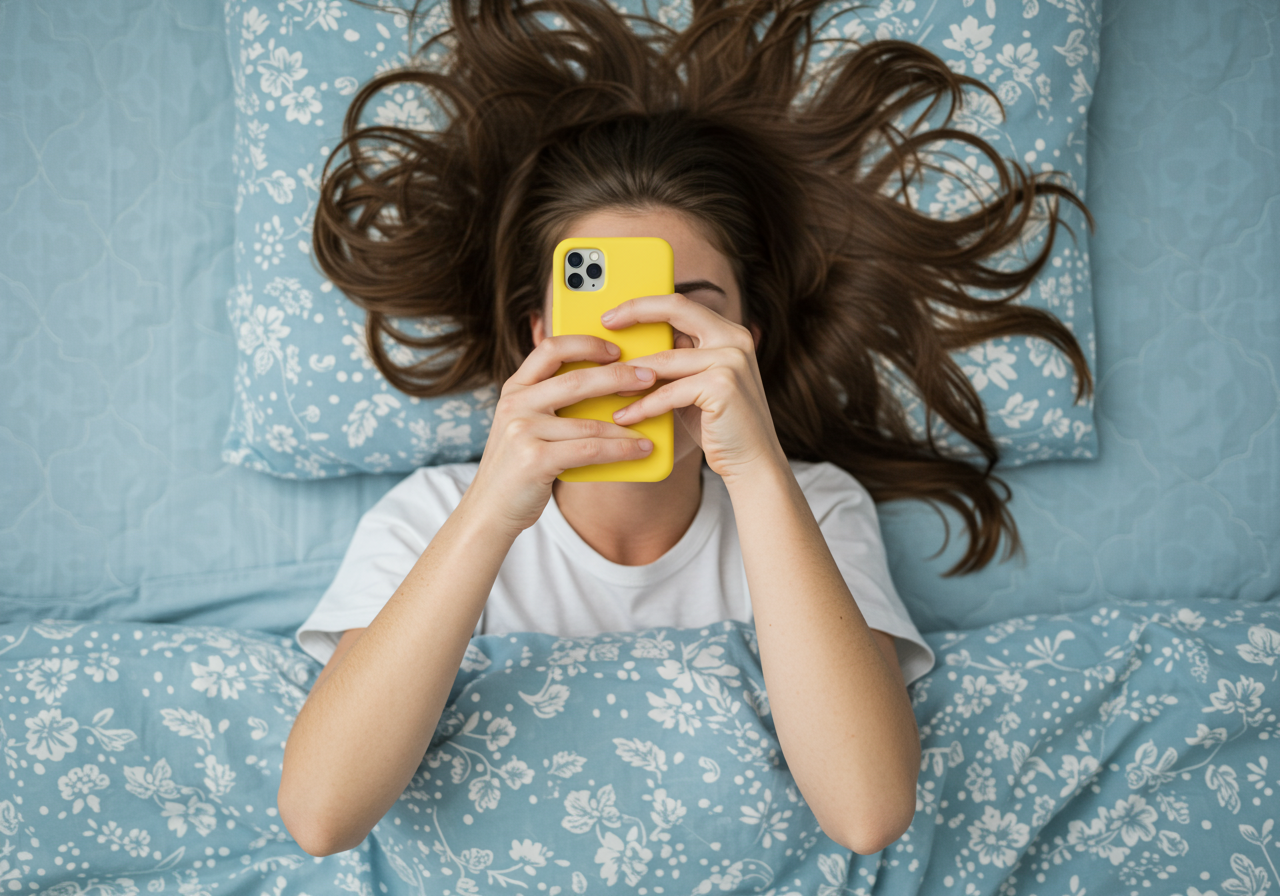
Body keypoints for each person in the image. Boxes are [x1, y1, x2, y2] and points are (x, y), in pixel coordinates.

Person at [278, 0, 1091, 859]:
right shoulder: (430, 516)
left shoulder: (816, 507)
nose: (646, 350)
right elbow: (322, 817)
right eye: (609, 314)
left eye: (687, 312)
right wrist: (491, 509)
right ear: (538, 336)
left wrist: (758, 468)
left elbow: (869, 812)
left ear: (746, 341)